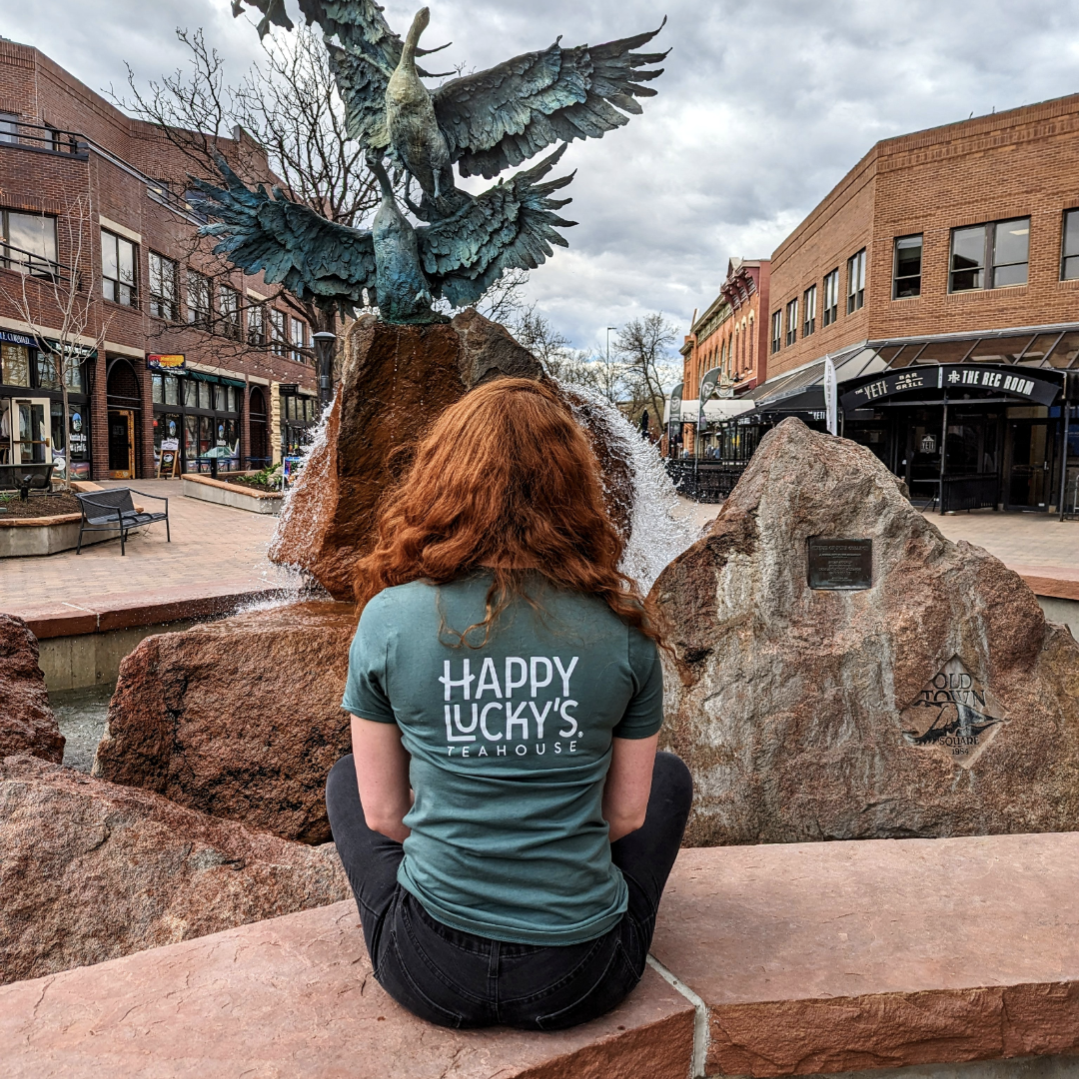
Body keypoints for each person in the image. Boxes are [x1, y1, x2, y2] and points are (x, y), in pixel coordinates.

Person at [326, 377, 692, 1031]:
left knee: (344, 780)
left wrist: (467, 847)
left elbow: (383, 816)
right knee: (667, 779)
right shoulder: (623, 629)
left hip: (427, 970)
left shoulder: (388, 619)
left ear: (438, 478)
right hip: (579, 978)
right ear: (574, 489)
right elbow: (627, 814)